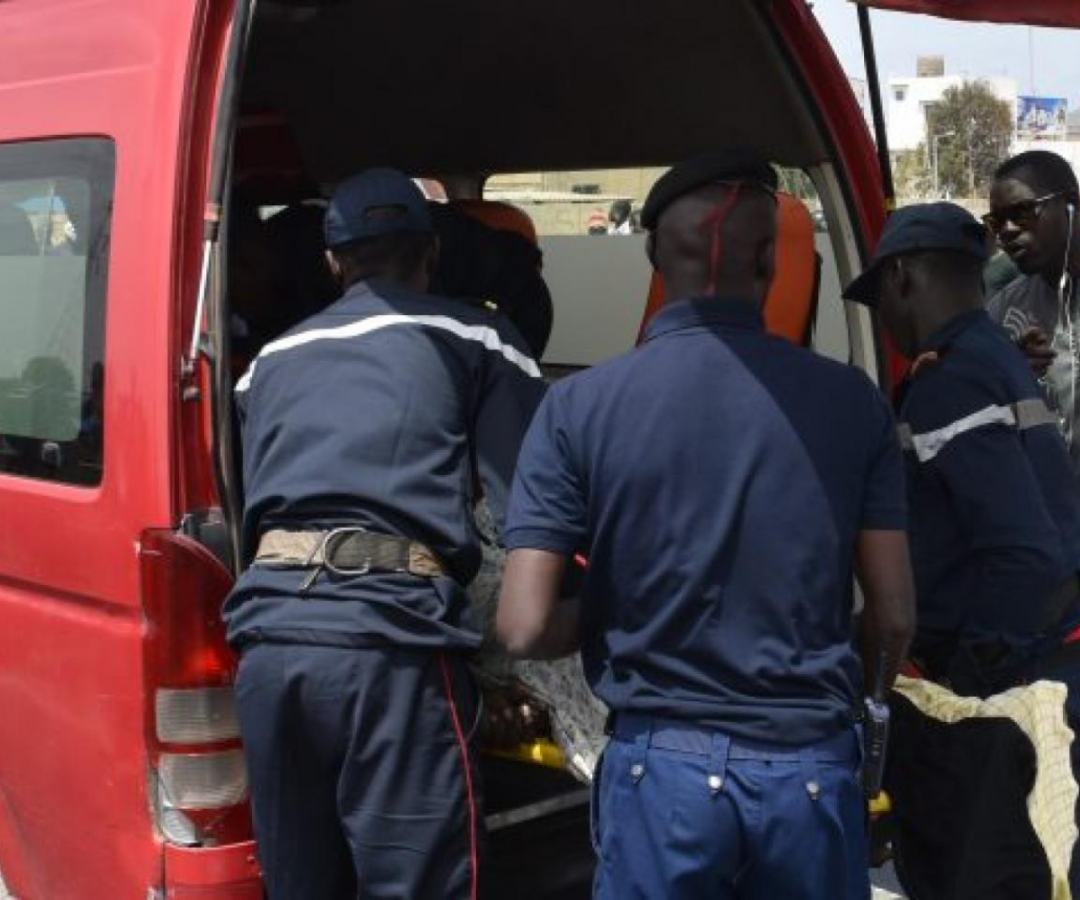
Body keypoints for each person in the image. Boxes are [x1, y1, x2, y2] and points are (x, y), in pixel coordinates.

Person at [497, 150, 915, 900]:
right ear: (770, 262)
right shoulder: (852, 404)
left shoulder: (577, 408)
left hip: (663, 778)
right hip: (809, 771)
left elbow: (523, 628)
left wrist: (617, 612)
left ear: (655, 255)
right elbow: (892, 615)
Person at [223, 168, 546, 899]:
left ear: (334, 263)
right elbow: (535, 509)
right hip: (390, 647)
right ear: (430, 254)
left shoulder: (265, 366)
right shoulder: (477, 336)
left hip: (271, 646)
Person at [843, 202, 1080, 891]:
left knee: (975, 870)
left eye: (880, 294)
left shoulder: (948, 380)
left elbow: (1022, 550)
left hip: (1007, 679)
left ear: (904, 279)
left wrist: (968, 678)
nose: (882, 317)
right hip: (1047, 657)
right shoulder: (996, 359)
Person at [985, 151, 1080, 479]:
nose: (1007, 231)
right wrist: (1010, 375)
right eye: (996, 221)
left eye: (1023, 211)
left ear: (1070, 205)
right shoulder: (1003, 311)